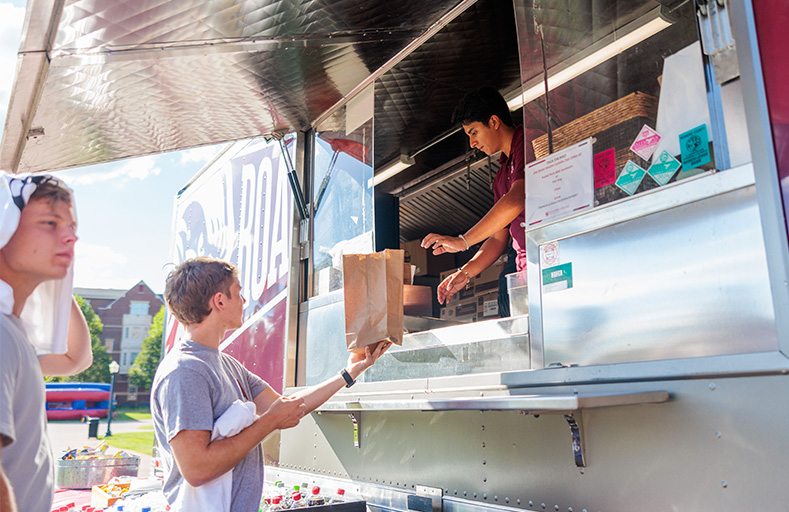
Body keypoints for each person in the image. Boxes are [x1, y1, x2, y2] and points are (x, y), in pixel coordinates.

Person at [152, 257, 389, 511]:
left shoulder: (227, 365)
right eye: (238, 293)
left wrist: (350, 372)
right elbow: (197, 469)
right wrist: (268, 423)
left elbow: (289, 407)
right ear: (220, 301)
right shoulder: (185, 371)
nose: (244, 302)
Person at [0, 174, 93, 512]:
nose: (71, 236)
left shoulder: (14, 329)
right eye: (50, 222)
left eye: (71, 226)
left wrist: (56, 278)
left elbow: (75, 358)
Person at [422, 87, 526, 311]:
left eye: (474, 132)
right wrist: (464, 273)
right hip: (523, 274)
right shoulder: (501, 176)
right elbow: (499, 240)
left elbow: (518, 200)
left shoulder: (527, 142)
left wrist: (463, 241)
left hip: (550, 263)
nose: (472, 143)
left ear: (494, 122)